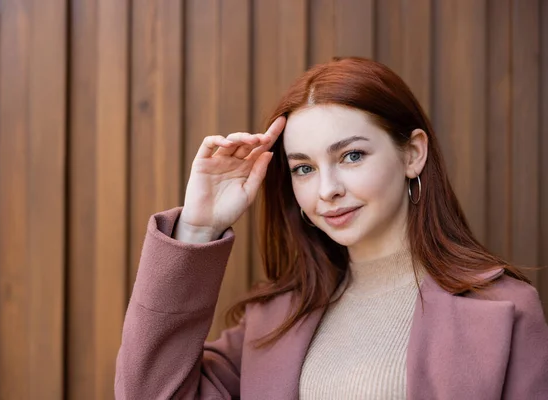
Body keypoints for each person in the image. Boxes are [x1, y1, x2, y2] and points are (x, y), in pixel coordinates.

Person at [114, 57, 548, 399]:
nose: (327, 190)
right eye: (303, 168)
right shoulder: (270, 322)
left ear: (413, 154)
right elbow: (150, 393)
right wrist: (199, 226)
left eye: (352, 156)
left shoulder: (505, 310)